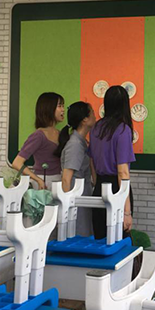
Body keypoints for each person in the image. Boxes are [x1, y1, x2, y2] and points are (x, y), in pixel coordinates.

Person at [88, 86, 135, 239]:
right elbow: (123, 172)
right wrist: (127, 211)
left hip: (99, 187)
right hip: (117, 189)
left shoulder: (96, 128)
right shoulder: (123, 130)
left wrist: (97, 183)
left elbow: (91, 160)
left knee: (100, 239)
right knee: (120, 241)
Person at [55, 101, 97, 236]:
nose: (95, 115)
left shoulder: (82, 142)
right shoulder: (75, 145)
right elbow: (66, 179)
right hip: (75, 200)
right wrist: (67, 208)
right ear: (85, 119)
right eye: (92, 112)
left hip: (81, 196)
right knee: (78, 235)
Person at [11, 92, 65, 190]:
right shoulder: (38, 136)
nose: (63, 110)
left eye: (63, 106)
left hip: (58, 181)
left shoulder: (60, 134)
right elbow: (17, 163)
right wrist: (38, 180)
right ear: (49, 108)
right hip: (42, 184)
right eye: (59, 106)